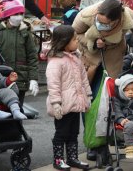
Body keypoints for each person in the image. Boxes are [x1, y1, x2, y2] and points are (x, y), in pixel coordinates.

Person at [72, 0, 133, 161]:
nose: (101, 25)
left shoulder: (127, 15)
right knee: (91, 103)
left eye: (105, 23)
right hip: (90, 59)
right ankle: (93, 144)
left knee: (110, 102)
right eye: (98, 21)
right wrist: (92, 41)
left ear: (116, 20)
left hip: (114, 60)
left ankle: (108, 139)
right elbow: (74, 33)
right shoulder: (87, 15)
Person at [46, 25, 92, 170]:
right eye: (74, 39)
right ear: (65, 42)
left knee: (74, 132)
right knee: (62, 133)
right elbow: (53, 84)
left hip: (76, 103)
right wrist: (56, 103)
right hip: (63, 105)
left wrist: (88, 95)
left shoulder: (76, 58)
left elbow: (84, 79)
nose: (77, 42)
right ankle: (58, 160)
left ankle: (72, 158)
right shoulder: (55, 61)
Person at [0, 0, 39, 105]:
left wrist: (33, 78)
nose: (19, 17)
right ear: (8, 15)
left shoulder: (25, 32)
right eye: (16, 13)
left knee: (18, 108)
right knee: (3, 109)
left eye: (21, 13)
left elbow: (32, 56)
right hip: (2, 79)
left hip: (20, 79)